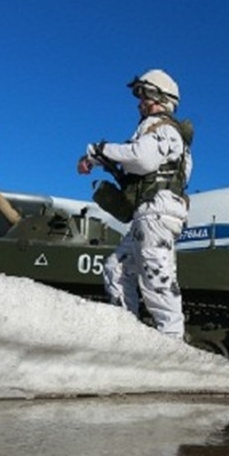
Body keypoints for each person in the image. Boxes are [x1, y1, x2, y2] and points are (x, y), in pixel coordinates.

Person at [79, 69, 192, 339]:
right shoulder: (168, 135)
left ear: (159, 97)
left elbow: (141, 159)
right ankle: (128, 335)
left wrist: (101, 149)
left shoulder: (162, 127)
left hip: (156, 213)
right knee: (116, 269)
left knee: (158, 282)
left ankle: (172, 347)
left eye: (143, 94)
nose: (139, 102)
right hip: (152, 212)